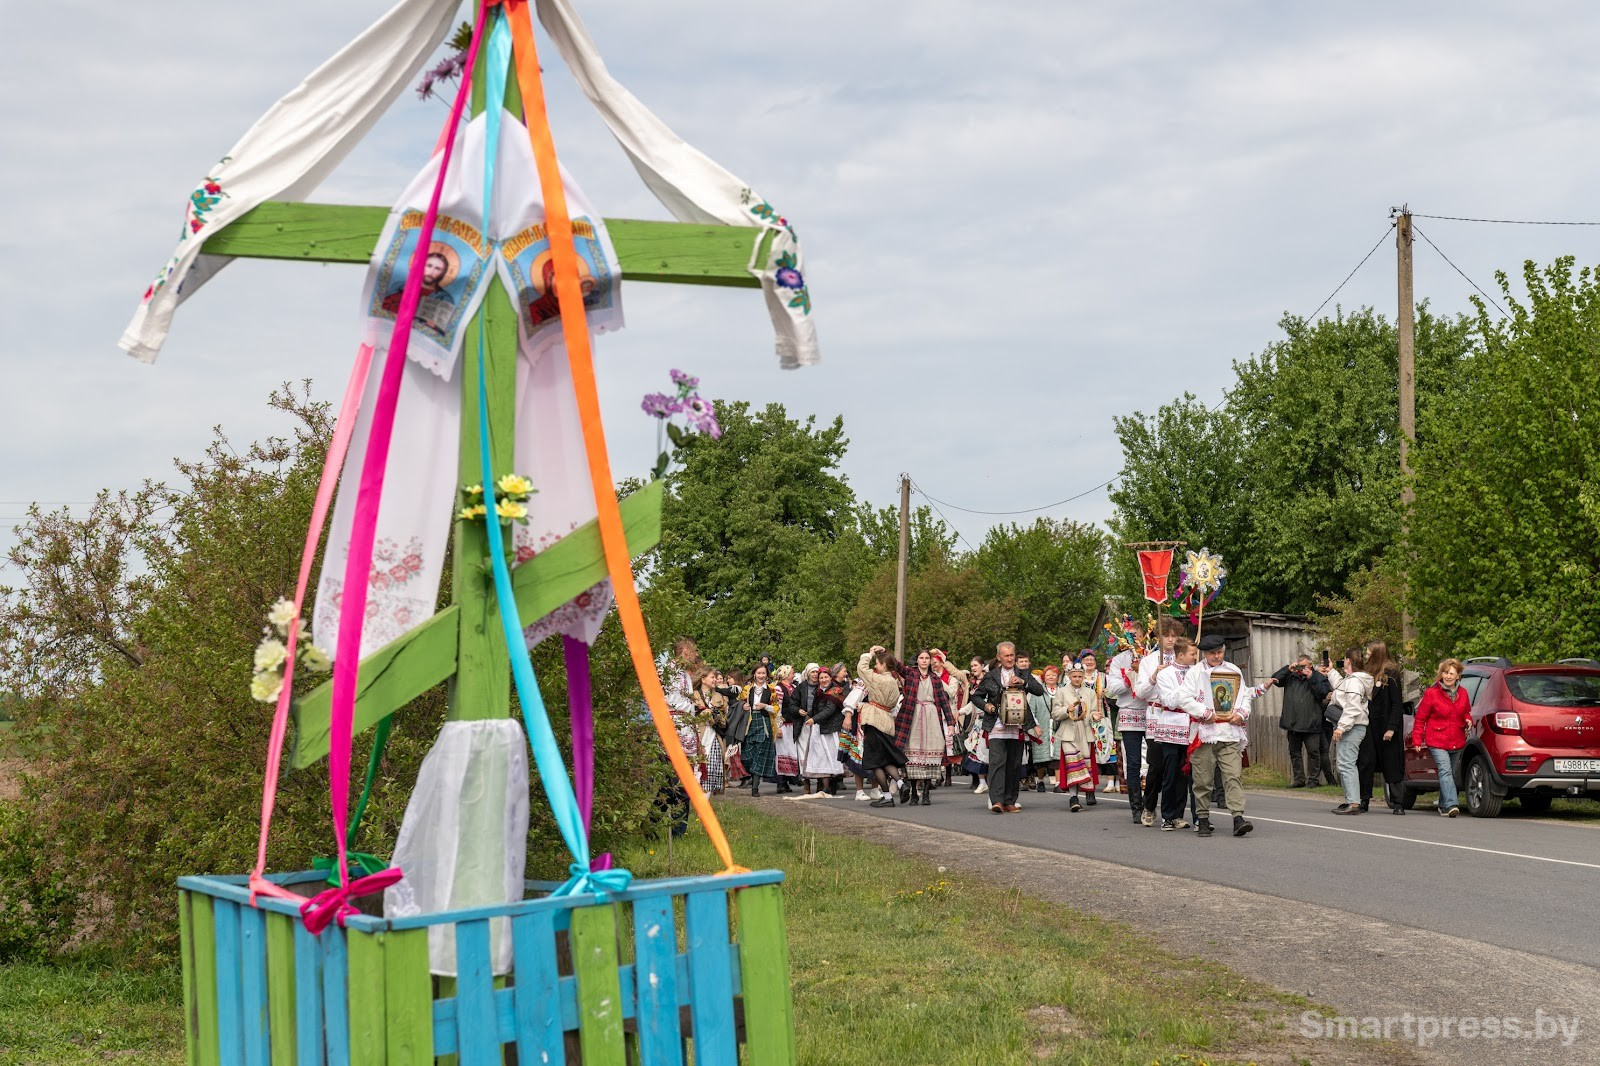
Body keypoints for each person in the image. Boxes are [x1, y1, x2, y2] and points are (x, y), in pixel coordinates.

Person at [1183, 634, 1255, 838]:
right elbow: (1183, 697)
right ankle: (1203, 818)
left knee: (1233, 776)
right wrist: (1204, 712)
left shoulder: (1233, 671)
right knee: (1203, 779)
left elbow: (1245, 696)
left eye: (1220, 652)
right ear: (1204, 653)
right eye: (1212, 653)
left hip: (1230, 733)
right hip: (1204, 734)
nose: (1216, 656)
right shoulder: (1195, 673)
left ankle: (1238, 818)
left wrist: (1241, 713)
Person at [970, 641, 1047, 814]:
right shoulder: (991, 676)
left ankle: (1010, 801)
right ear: (999, 657)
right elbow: (976, 697)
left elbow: (1039, 690)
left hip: (1018, 727)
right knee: (997, 763)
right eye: (1007, 655)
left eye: (1012, 655)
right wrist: (987, 706)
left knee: (1014, 765)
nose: (1010, 658)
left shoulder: (1023, 673)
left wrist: (1023, 683)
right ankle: (997, 800)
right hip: (997, 725)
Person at [1136, 618, 1186, 827]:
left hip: (1179, 717)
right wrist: (1155, 675)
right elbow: (1140, 692)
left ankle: (1176, 813)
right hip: (1157, 716)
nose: (1171, 639)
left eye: (1174, 635)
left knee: (1179, 768)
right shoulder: (1149, 661)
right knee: (1157, 766)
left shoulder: (1184, 660)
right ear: (1160, 636)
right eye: (1167, 635)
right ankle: (1149, 805)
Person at [891, 649, 955, 806]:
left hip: (931, 716)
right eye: (922, 658)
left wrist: (951, 723)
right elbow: (897, 665)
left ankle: (926, 793)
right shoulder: (911, 674)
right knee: (911, 754)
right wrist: (884, 652)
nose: (925, 661)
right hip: (913, 716)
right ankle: (914, 793)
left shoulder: (935, 679)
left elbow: (944, 702)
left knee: (930, 753)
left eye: (927, 658)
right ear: (917, 660)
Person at [1148, 635, 1199, 830]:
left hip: (1191, 727)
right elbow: (1169, 701)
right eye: (1192, 654)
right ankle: (1167, 816)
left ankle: (1179, 815)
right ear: (1181, 654)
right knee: (1169, 773)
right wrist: (1186, 691)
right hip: (1171, 726)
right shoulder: (1165, 674)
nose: (1195, 657)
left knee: (1186, 774)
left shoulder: (1196, 672)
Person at [1412, 658, 1472, 817]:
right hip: (1437, 739)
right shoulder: (1432, 693)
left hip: (1456, 740)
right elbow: (1420, 718)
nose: (1448, 676)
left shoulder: (1463, 693)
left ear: (1458, 675)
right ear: (1441, 674)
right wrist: (1417, 739)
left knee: (1450, 774)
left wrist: (1468, 720)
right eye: (1445, 673)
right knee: (1445, 771)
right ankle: (1452, 804)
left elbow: (1466, 712)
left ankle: (1443, 804)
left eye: (1451, 673)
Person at [1264, 654, 1332, 788]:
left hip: (1311, 723)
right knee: (1295, 753)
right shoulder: (1291, 676)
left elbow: (1324, 692)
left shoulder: (1318, 677)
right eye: (1299, 666)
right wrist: (1288, 669)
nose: (1301, 669)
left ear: (1310, 666)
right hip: (1293, 723)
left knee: (1313, 753)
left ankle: (1313, 780)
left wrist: (1311, 677)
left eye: (1304, 666)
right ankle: (1299, 779)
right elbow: (1275, 678)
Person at [856, 646, 910, 808]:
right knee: (885, 758)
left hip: (874, 720)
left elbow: (861, 668)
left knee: (875, 761)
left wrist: (870, 654)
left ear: (884, 665)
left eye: (878, 664)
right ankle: (900, 784)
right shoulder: (894, 682)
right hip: (887, 720)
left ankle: (888, 796)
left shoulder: (877, 679)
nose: (875, 666)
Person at [1104, 634, 1148, 822]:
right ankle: (1136, 807)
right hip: (1129, 712)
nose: (1135, 642)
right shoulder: (1118, 660)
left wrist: (1145, 673)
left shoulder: (1151, 655)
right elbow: (1113, 689)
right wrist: (1130, 677)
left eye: (1139, 637)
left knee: (1155, 761)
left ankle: (1150, 801)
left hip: (1151, 712)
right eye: (1131, 638)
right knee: (1133, 762)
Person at [1359, 641, 1407, 814]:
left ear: (1376, 654)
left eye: (1368, 652)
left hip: (1386, 726)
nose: (1366, 656)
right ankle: (1364, 800)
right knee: (1366, 762)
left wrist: (1392, 727)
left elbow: (1396, 704)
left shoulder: (1391, 673)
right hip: (1368, 726)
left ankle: (1398, 802)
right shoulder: (1366, 673)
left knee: (1391, 763)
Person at [1328, 648, 1374, 814]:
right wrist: (1331, 671)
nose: (1343, 661)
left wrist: (1341, 727)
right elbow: (1341, 687)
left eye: (1344, 659)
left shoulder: (1355, 681)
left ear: (1348, 660)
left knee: (1347, 764)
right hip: (1352, 726)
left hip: (1352, 727)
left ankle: (1354, 803)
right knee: (1344, 763)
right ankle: (1350, 800)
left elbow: (1353, 708)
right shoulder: (1353, 679)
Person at [1050, 662, 1099, 812]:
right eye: (1074, 676)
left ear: (1083, 676)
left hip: (1084, 733)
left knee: (1085, 763)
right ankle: (1074, 798)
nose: (1077, 679)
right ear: (1069, 676)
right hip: (1068, 733)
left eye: (1080, 676)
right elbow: (1055, 713)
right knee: (1072, 765)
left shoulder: (1090, 693)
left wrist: (1094, 715)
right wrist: (1067, 709)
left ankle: (1089, 792)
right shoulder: (1062, 692)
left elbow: (1092, 711)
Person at [798, 664, 846, 797]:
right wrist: (808, 715)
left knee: (832, 757)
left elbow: (829, 710)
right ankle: (825, 787)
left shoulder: (836, 691)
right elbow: (815, 708)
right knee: (822, 757)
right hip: (819, 728)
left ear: (831, 678)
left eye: (826, 677)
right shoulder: (818, 691)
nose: (824, 680)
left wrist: (814, 719)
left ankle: (833, 783)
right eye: (821, 678)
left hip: (831, 729)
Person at [690, 667, 734, 794]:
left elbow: (725, 719)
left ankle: (708, 796)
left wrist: (718, 717)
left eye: (715, 677)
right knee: (698, 764)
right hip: (699, 734)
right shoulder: (694, 695)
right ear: (703, 679)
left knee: (713, 766)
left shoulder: (719, 696)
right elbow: (689, 716)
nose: (715, 680)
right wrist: (701, 714)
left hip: (714, 735)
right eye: (712, 677)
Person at [739, 664, 781, 797]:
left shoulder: (772, 690)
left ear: (767, 675)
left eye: (763, 673)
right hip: (750, 723)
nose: (761, 676)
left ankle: (755, 787)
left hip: (764, 722)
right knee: (746, 755)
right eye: (759, 673)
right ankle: (752, 775)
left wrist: (765, 706)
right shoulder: (747, 689)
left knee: (760, 753)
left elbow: (776, 708)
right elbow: (739, 703)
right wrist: (744, 706)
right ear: (754, 674)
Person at [960, 656, 990, 793]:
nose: (973, 668)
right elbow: (973, 703)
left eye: (975, 665)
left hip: (990, 720)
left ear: (982, 666)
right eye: (971, 666)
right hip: (978, 722)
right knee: (977, 750)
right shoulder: (973, 684)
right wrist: (961, 711)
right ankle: (982, 781)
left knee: (990, 752)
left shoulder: (989, 681)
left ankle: (992, 781)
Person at [1031, 661, 1061, 793]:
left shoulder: (1062, 690)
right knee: (1041, 757)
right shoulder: (1038, 692)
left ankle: (1058, 783)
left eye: (1053, 675)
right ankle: (1040, 781)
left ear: (1057, 677)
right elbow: (1031, 710)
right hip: (1042, 726)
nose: (1050, 677)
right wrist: (1035, 726)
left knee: (1058, 755)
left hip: (1059, 726)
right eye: (1048, 674)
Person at [772, 665, 800, 791]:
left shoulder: (793, 687)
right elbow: (777, 708)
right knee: (781, 752)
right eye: (791, 673)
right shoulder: (778, 688)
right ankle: (781, 782)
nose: (793, 675)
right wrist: (778, 727)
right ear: (786, 674)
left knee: (791, 752)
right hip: (783, 725)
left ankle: (788, 780)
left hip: (792, 725)